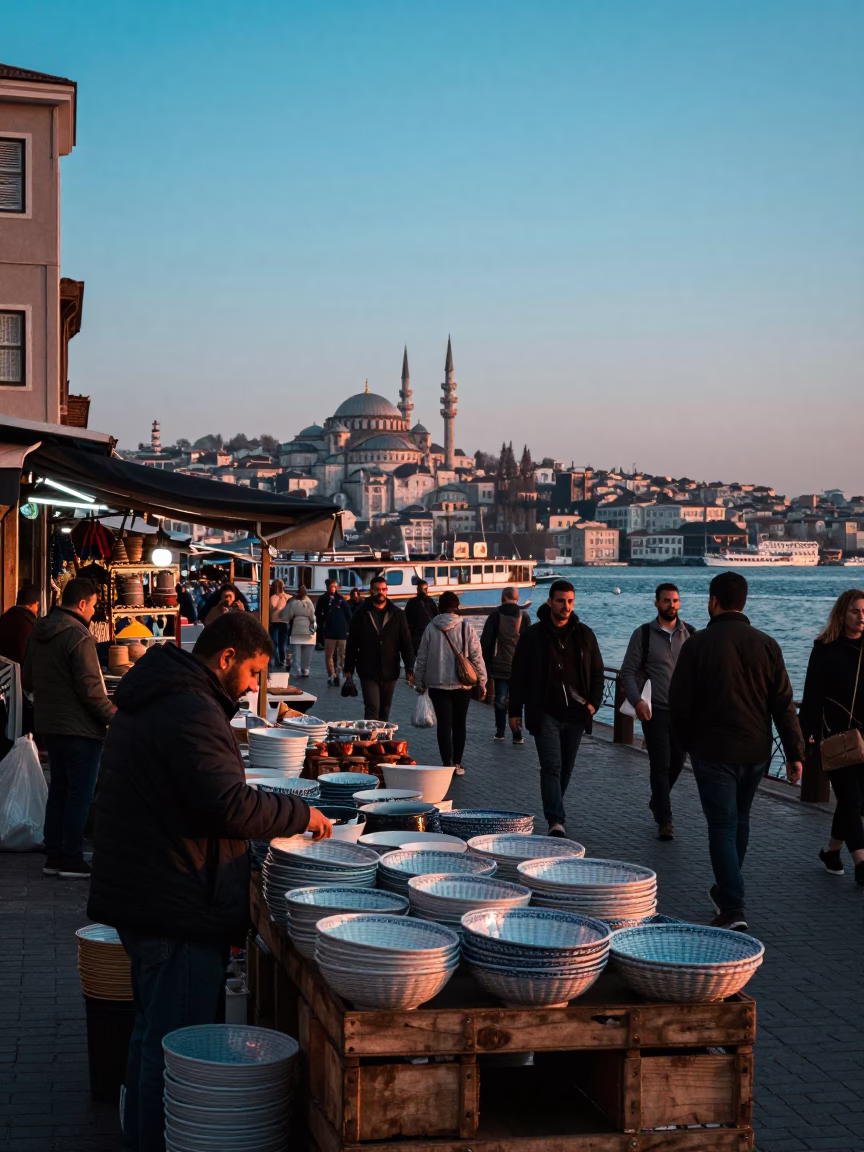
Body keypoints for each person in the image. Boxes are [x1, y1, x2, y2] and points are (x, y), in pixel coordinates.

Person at [87, 612, 331, 1152]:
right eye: (252, 672)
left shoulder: (167, 693)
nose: (252, 686)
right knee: (174, 1047)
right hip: (174, 902)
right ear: (226, 658)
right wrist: (299, 813)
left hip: (148, 892)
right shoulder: (189, 706)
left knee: (151, 1036)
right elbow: (228, 805)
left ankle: (141, 1137)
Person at [669, 571, 804, 931]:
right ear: (743, 602)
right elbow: (783, 704)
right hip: (756, 751)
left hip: (713, 751)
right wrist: (794, 753)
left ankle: (733, 906)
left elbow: (679, 704)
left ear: (713, 601)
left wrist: (684, 744)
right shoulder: (767, 644)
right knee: (740, 820)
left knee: (722, 826)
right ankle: (726, 891)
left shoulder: (697, 645)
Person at [22, 578, 116, 879]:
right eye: (94, 605)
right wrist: (113, 717)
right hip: (80, 729)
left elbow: (27, 679)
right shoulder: (79, 635)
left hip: (50, 725)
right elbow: (91, 690)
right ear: (82, 603)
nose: (94, 611)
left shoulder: (40, 630)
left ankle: (54, 855)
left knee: (59, 790)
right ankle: (71, 858)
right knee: (79, 794)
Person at [509, 580, 604, 837]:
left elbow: (597, 671)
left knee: (565, 768)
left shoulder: (584, 635)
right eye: (561, 601)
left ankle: (554, 806)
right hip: (545, 712)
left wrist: (593, 704)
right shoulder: (533, 636)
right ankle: (556, 820)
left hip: (576, 714)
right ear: (550, 601)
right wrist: (514, 711)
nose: (566, 606)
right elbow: (519, 675)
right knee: (551, 766)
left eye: (570, 601)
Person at [619, 583, 695, 841]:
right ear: (656, 603)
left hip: (683, 713)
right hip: (655, 711)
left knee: (677, 762)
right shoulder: (643, 634)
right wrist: (638, 701)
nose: (671, 605)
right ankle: (665, 820)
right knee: (660, 764)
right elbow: (627, 672)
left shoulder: (691, 634)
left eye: (675, 600)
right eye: (666, 600)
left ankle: (657, 801)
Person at [799, 588, 864, 884]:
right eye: (855, 611)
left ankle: (832, 852)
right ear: (842, 613)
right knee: (851, 798)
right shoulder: (825, 647)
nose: (861, 617)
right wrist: (806, 736)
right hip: (836, 737)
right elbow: (812, 695)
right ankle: (861, 863)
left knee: (854, 802)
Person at [415, 591, 487, 775]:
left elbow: (422, 657)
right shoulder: (466, 626)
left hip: (437, 684)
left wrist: (419, 680)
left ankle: (446, 762)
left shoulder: (431, 627)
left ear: (439, 606)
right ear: (457, 607)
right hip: (462, 685)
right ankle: (457, 763)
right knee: (459, 724)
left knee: (444, 725)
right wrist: (482, 681)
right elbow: (476, 656)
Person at [344, 575, 415, 720]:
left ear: (387, 590)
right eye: (377, 590)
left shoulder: (397, 614)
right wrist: (349, 667)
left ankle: (383, 735)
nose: (381, 592)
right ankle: (370, 735)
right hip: (367, 669)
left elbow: (406, 642)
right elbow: (352, 642)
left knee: (385, 710)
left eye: (383, 589)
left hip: (390, 670)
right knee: (372, 707)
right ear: (371, 591)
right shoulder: (361, 614)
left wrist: (410, 667)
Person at [480, 586, 530, 744]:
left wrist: (486, 666)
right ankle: (517, 734)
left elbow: (486, 642)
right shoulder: (524, 616)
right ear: (517, 598)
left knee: (500, 700)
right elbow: (529, 644)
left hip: (500, 665)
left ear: (503, 597)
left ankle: (500, 732)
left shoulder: (495, 615)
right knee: (517, 703)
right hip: (519, 668)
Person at [315, 579, 352, 685]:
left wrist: (349, 628)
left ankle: (339, 673)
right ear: (327, 587)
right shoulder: (323, 599)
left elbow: (348, 614)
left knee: (341, 655)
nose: (334, 588)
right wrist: (322, 625)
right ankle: (331, 674)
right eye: (332, 586)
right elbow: (318, 613)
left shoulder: (341, 599)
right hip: (329, 632)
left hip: (341, 631)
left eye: (335, 586)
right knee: (329, 655)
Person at [0, 583, 40, 665]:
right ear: (34, 604)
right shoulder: (29, 623)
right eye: (37, 605)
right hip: (21, 671)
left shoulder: (4, 617)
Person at [285, 585, 316, 677]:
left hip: (296, 628)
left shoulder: (294, 602)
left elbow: (290, 615)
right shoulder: (309, 602)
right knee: (307, 652)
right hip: (307, 629)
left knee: (296, 652)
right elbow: (312, 616)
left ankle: (297, 669)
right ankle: (305, 669)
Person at [404, 579, 438, 656]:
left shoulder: (411, 603)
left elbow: (406, 620)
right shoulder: (430, 602)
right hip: (427, 635)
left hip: (417, 637)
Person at [268, 579, 291, 667]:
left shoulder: (274, 597)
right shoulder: (287, 597)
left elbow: (272, 608)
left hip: (278, 622)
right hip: (280, 622)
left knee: (278, 642)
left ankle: (280, 659)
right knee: (280, 642)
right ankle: (280, 659)